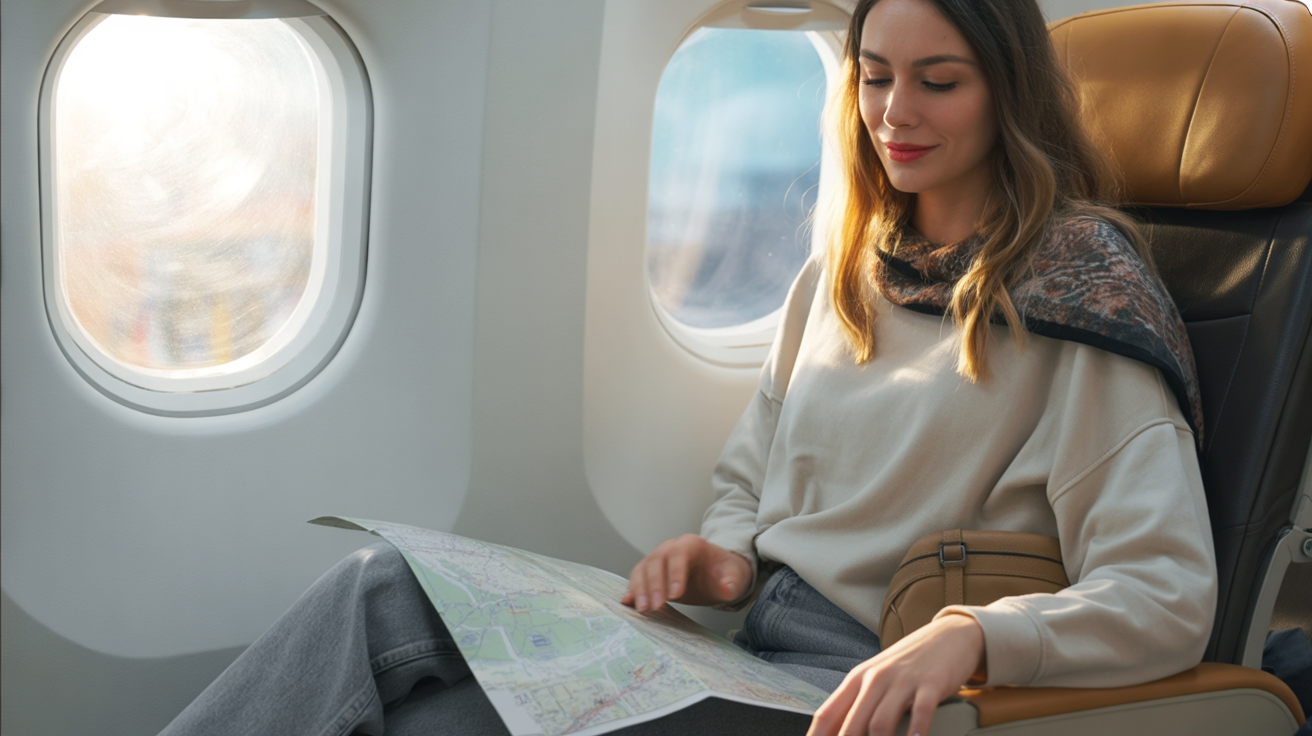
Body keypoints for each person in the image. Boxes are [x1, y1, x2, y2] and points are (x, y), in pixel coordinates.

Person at [159, 0, 1217, 734]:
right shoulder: (846, 272)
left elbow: (1166, 594)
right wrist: (725, 560)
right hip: (748, 645)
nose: (895, 113)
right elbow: (751, 477)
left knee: (431, 725)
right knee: (382, 583)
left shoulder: (1081, 296)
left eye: (938, 82)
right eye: (875, 77)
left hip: (859, 690)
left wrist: (969, 638)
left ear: (1006, 96)